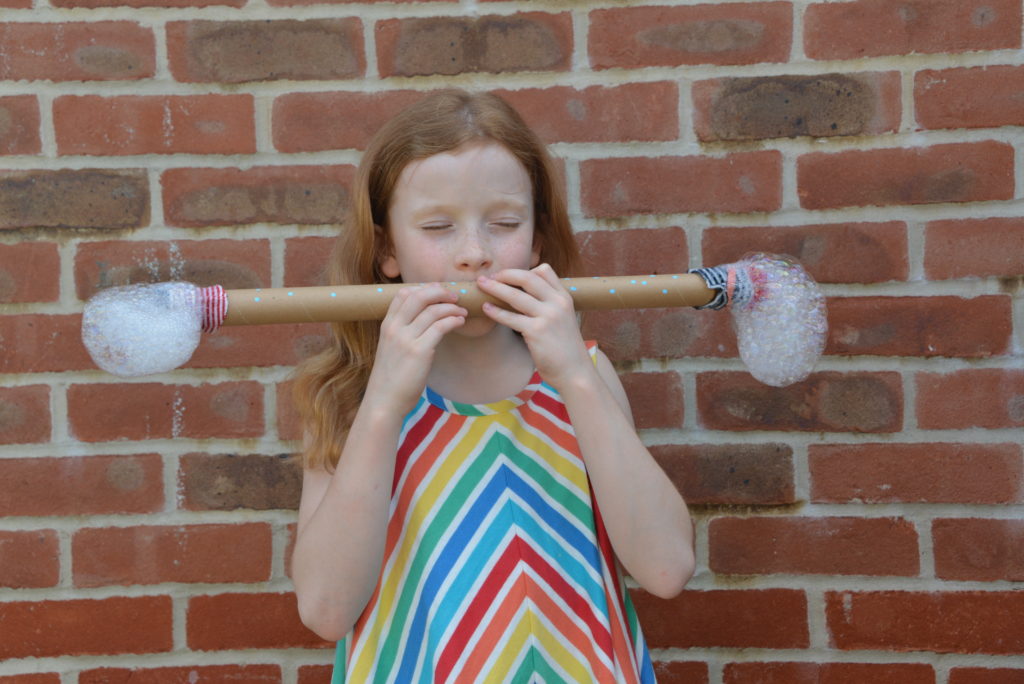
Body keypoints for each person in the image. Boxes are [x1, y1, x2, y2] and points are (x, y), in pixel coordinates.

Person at [290, 89, 695, 683]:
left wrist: (574, 378)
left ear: (535, 241)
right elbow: (326, 611)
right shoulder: (349, 398)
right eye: (436, 227)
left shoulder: (583, 376)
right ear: (386, 251)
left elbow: (667, 569)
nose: (474, 255)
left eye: (504, 224)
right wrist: (384, 406)